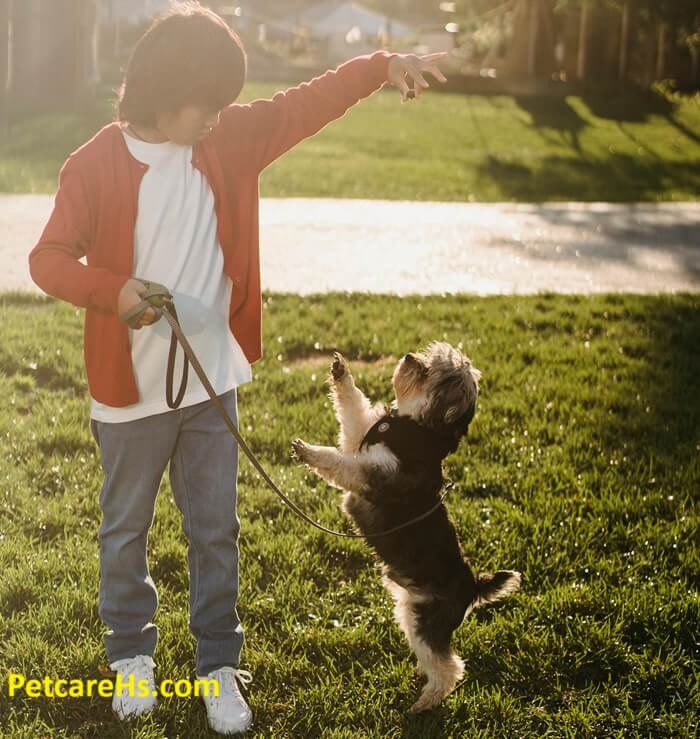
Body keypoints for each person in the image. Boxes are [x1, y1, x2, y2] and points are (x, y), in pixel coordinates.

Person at [27, 1, 447, 734]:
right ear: (163, 90)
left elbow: (309, 101)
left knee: (214, 528)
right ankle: (132, 654)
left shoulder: (229, 141)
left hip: (211, 383)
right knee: (124, 530)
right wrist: (114, 291)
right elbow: (47, 261)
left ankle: (220, 664)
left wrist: (382, 66)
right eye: (207, 102)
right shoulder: (92, 164)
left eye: (226, 103)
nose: (218, 116)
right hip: (128, 398)